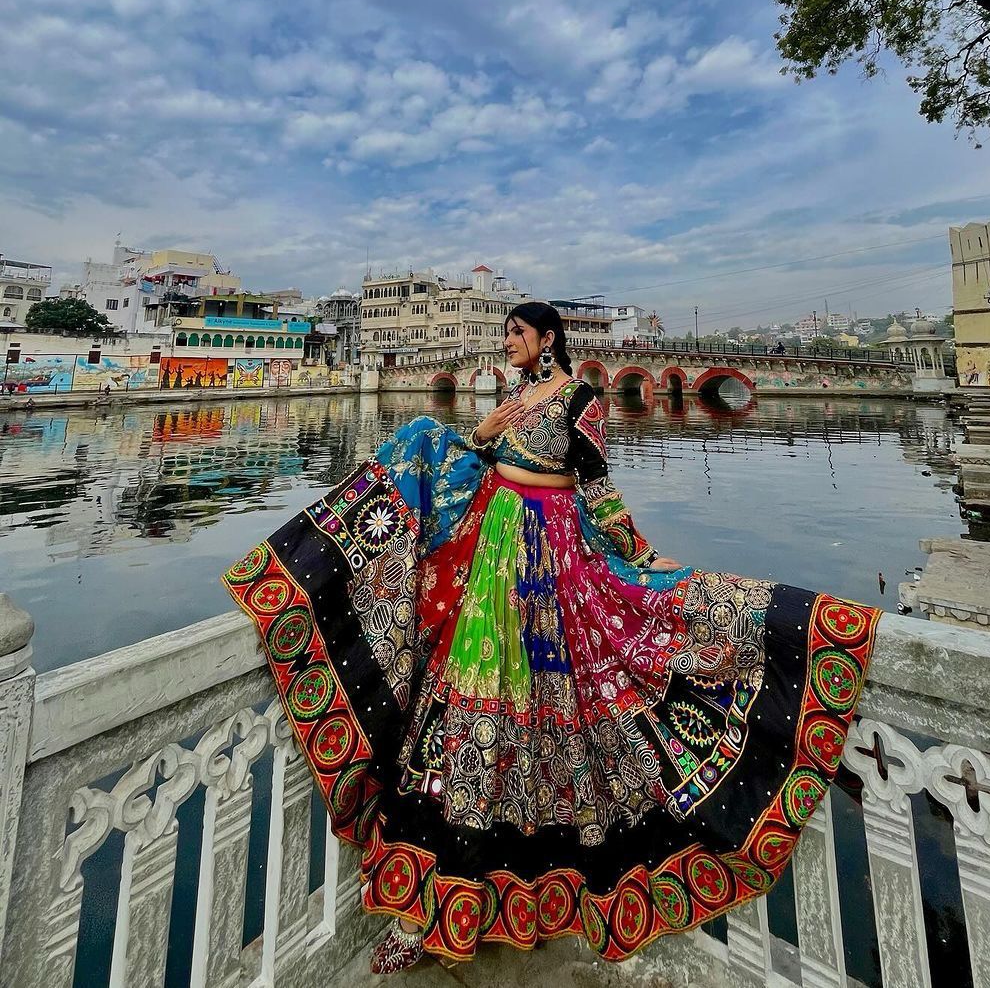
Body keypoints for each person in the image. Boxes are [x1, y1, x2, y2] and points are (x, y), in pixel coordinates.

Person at [223, 302, 878, 973]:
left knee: (548, 726)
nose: (508, 341)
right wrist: (480, 433)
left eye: (516, 332)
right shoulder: (515, 396)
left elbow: (597, 492)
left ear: (548, 339)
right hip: (491, 564)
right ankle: (432, 907)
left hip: (550, 568)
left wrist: (641, 562)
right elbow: (475, 466)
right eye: (506, 332)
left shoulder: (581, 399)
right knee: (460, 721)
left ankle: (517, 894)